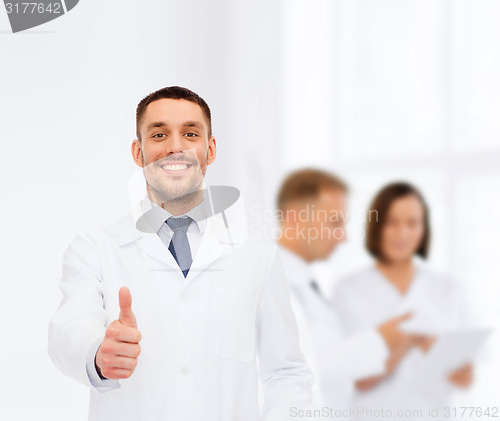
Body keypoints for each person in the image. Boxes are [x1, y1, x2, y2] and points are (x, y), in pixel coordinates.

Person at [48, 86, 313, 421]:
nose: (175, 147)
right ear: (138, 152)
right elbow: (67, 330)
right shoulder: (95, 248)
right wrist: (98, 354)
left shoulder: (257, 256)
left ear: (210, 149)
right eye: (159, 134)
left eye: (190, 133)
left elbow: (285, 373)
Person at [275, 169, 422, 418]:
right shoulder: (271, 285)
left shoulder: (308, 284)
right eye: (334, 222)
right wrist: (378, 341)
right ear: (296, 218)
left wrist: (392, 348)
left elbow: (334, 371)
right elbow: (289, 374)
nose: (342, 237)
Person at [333, 182, 474, 420]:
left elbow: (465, 378)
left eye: (412, 223)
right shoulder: (348, 289)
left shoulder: (449, 289)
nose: (402, 233)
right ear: (376, 226)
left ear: (424, 228)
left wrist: (435, 351)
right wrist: (408, 341)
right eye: (391, 222)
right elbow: (360, 380)